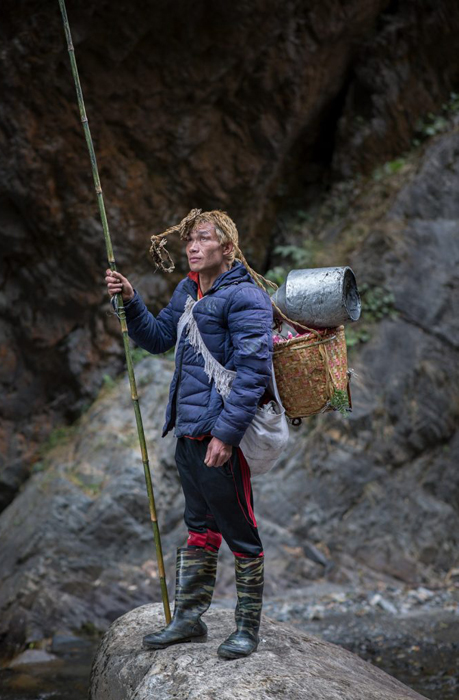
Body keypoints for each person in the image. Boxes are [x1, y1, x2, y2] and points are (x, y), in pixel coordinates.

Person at [105, 209, 273, 659]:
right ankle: (188, 619)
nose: (193, 247)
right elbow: (159, 338)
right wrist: (132, 300)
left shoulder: (246, 298)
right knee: (199, 527)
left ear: (228, 248)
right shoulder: (188, 290)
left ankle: (246, 630)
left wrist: (227, 436)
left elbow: (253, 374)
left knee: (241, 530)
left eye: (203, 239)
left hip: (221, 437)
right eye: (189, 241)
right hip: (188, 432)